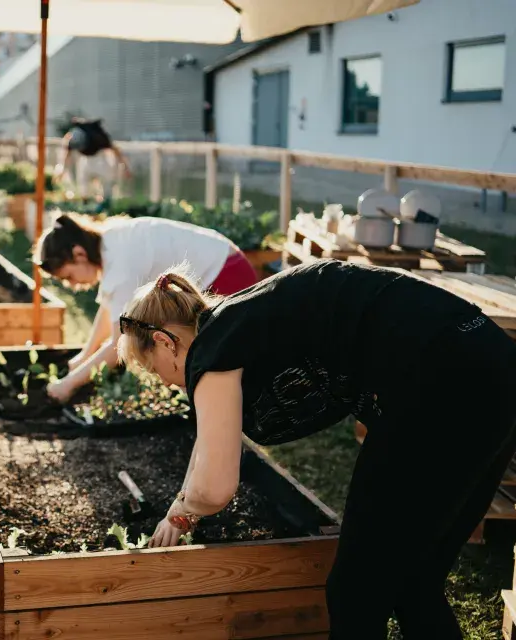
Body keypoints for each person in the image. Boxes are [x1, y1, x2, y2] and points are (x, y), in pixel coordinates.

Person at [115, 259, 516, 638]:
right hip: (491, 360)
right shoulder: (237, 321)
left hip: (438, 385)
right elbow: (212, 438)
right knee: (416, 580)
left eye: (152, 368)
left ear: (164, 342)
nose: (163, 381)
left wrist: (184, 512)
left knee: (355, 593)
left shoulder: (212, 350)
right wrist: (180, 507)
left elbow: (215, 488)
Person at [35, 213, 258, 403]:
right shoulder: (110, 241)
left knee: (210, 366)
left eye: (69, 276)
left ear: (79, 254)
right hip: (228, 260)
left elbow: (117, 343)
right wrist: (83, 357)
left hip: (227, 276)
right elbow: (109, 309)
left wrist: (67, 385)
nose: (72, 285)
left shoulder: (120, 265)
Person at [54, 117, 130, 204]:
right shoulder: (73, 137)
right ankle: (87, 204)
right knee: (84, 187)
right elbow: (67, 153)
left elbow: (115, 149)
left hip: (100, 159)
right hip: (85, 160)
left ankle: (104, 204)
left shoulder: (98, 137)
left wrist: (125, 166)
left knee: (105, 188)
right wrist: (62, 168)